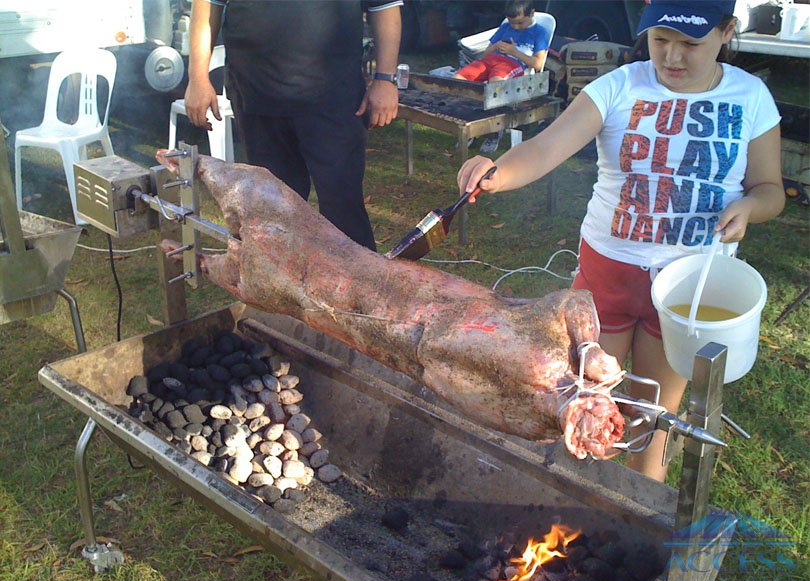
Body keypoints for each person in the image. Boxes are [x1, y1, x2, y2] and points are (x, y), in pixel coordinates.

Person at [456, 0, 784, 481]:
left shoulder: (750, 97)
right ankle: (566, 510)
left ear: (727, 31)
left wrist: (751, 208)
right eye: (659, 41)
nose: (672, 57)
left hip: (686, 291)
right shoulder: (618, 85)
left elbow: (770, 190)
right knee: (581, 402)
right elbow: (548, 146)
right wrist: (497, 173)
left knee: (652, 416)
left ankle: (637, 511)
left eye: (690, 44)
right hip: (608, 272)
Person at [184, 0, 403, 251]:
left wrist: (386, 79)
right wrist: (197, 77)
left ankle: (358, 287)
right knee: (272, 211)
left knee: (343, 210)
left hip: (334, 100)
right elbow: (206, 5)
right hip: (256, 98)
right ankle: (280, 287)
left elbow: (384, 7)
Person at [454, 0, 550, 82]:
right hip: (491, 59)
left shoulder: (539, 32)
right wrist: (495, 46)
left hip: (512, 64)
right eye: (512, 23)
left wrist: (514, 52)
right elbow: (486, 54)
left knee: (496, 82)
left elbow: (538, 64)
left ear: (532, 13)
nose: (515, 27)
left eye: (520, 23)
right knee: (458, 78)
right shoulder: (506, 27)